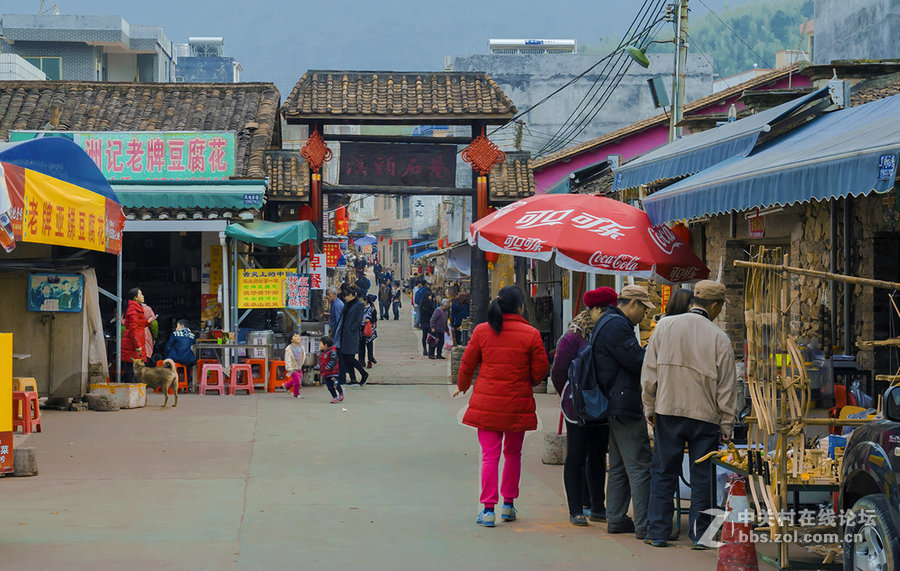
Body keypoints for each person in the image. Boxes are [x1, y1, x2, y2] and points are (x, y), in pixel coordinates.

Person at [642, 280, 737, 549]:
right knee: (702, 477)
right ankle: (701, 535)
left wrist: (649, 406)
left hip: (668, 410)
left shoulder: (664, 326)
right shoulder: (719, 337)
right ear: (715, 306)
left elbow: (649, 373)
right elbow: (727, 387)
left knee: (663, 471)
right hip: (704, 416)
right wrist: (727, 423)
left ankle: (658, 532)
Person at [454, 285, 550, 528]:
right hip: (517, 403)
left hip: (486, 402)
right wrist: (525, 381)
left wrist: (463, 386)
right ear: (519, 307)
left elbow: (467, 363)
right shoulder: (531, 334)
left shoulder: (482, 331)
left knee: (489, 456)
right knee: (513, 454)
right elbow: (540, 370)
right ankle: (508, 505)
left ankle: (487, 510)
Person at [550, 287, 618, 526]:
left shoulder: (606, 333)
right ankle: (576, 508)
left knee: (598, 456)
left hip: (600, 406)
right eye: (609, 310)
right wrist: (570, 396)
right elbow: (558, 372)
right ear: (596, 310)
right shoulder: (572, 337)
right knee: (576, 456)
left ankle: (597, 506)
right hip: (577, 407)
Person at [594, 284, 654, 540]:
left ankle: (616, 517)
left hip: (613, 401)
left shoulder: (607, 321)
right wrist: (651, 349)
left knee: (618, 465)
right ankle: (646, 524)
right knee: (640, 465)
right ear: (633, 304)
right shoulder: (617, 326)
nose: (645, 316)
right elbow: (636, 361)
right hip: (624, 402)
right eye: (644, 310)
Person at [335, 284, 369, 386]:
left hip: (351, 334)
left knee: (349, 357)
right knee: (345, 357)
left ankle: (363, 373)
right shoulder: (347, 304)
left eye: (345, 296)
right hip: (343, 334)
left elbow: (358, 320)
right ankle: (353, 379)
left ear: (351, 295)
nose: (344, 298)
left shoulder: (359, 305)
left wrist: (351, 328)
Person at [121, 287, 151, 383]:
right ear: (135, 298)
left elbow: (138, 325)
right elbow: (133, 330)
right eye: (140, 294)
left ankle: (133, 391)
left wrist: (148, 322)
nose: (143, 296)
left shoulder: (135, 308)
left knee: (131, 368)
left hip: (134, 343)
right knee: (131, 369)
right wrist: (137, 345)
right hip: (133, 344)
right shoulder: (133, 310)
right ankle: (131, 392)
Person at [165, 319, 197, 390]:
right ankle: (187, 384)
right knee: (187, 368)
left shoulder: (174, 334)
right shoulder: (193, 336)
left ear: (182, 326)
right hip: (188, 360)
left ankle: (171, 384)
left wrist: (166, 356)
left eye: (177, 326)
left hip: (176, 358)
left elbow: (168, 347)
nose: (176, 328)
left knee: (169, 365)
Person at [319, 336, 344, 403]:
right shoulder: (322, 352)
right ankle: (335, 397)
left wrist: (329, 366)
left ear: (325, 345)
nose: (320, 345)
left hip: (333, 372)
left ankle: (341, 392)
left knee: (335, 384)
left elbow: (334, 360)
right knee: (329, 386)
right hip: (326, 373)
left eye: (321, 344)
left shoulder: (332, 352)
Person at [282, 332, 306, 398]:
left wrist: (301, 364)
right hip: (292, 368)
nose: (298, 337)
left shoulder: (302, 347)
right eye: (295, 336)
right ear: (291, 340)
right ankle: (296, 394)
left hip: (299, 367)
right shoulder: (289, 348)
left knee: (297, 379)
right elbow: (287, 358)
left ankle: (287, 385)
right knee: (297, 382)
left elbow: (303, 356)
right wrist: (289, 368)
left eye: (299, 336)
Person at [417, 281, 436, 357]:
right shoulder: (426, 304)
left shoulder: (424, 303)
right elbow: (430, 311)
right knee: (428, 336)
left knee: (426, 336)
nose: (430, 297)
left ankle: (427, 350)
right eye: (430, 296)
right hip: (427, 321)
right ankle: (427, 350)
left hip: (425, 322)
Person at [360, 294, 378, 368]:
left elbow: (375, 319)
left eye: (361, 301)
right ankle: (362, 360)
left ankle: (370, 360)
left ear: (365, 301)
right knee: (361, 346)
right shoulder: (359, 308)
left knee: (369, 345)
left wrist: (369, 320)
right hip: (361, 328)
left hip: (369, 329)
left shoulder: (372, 309)